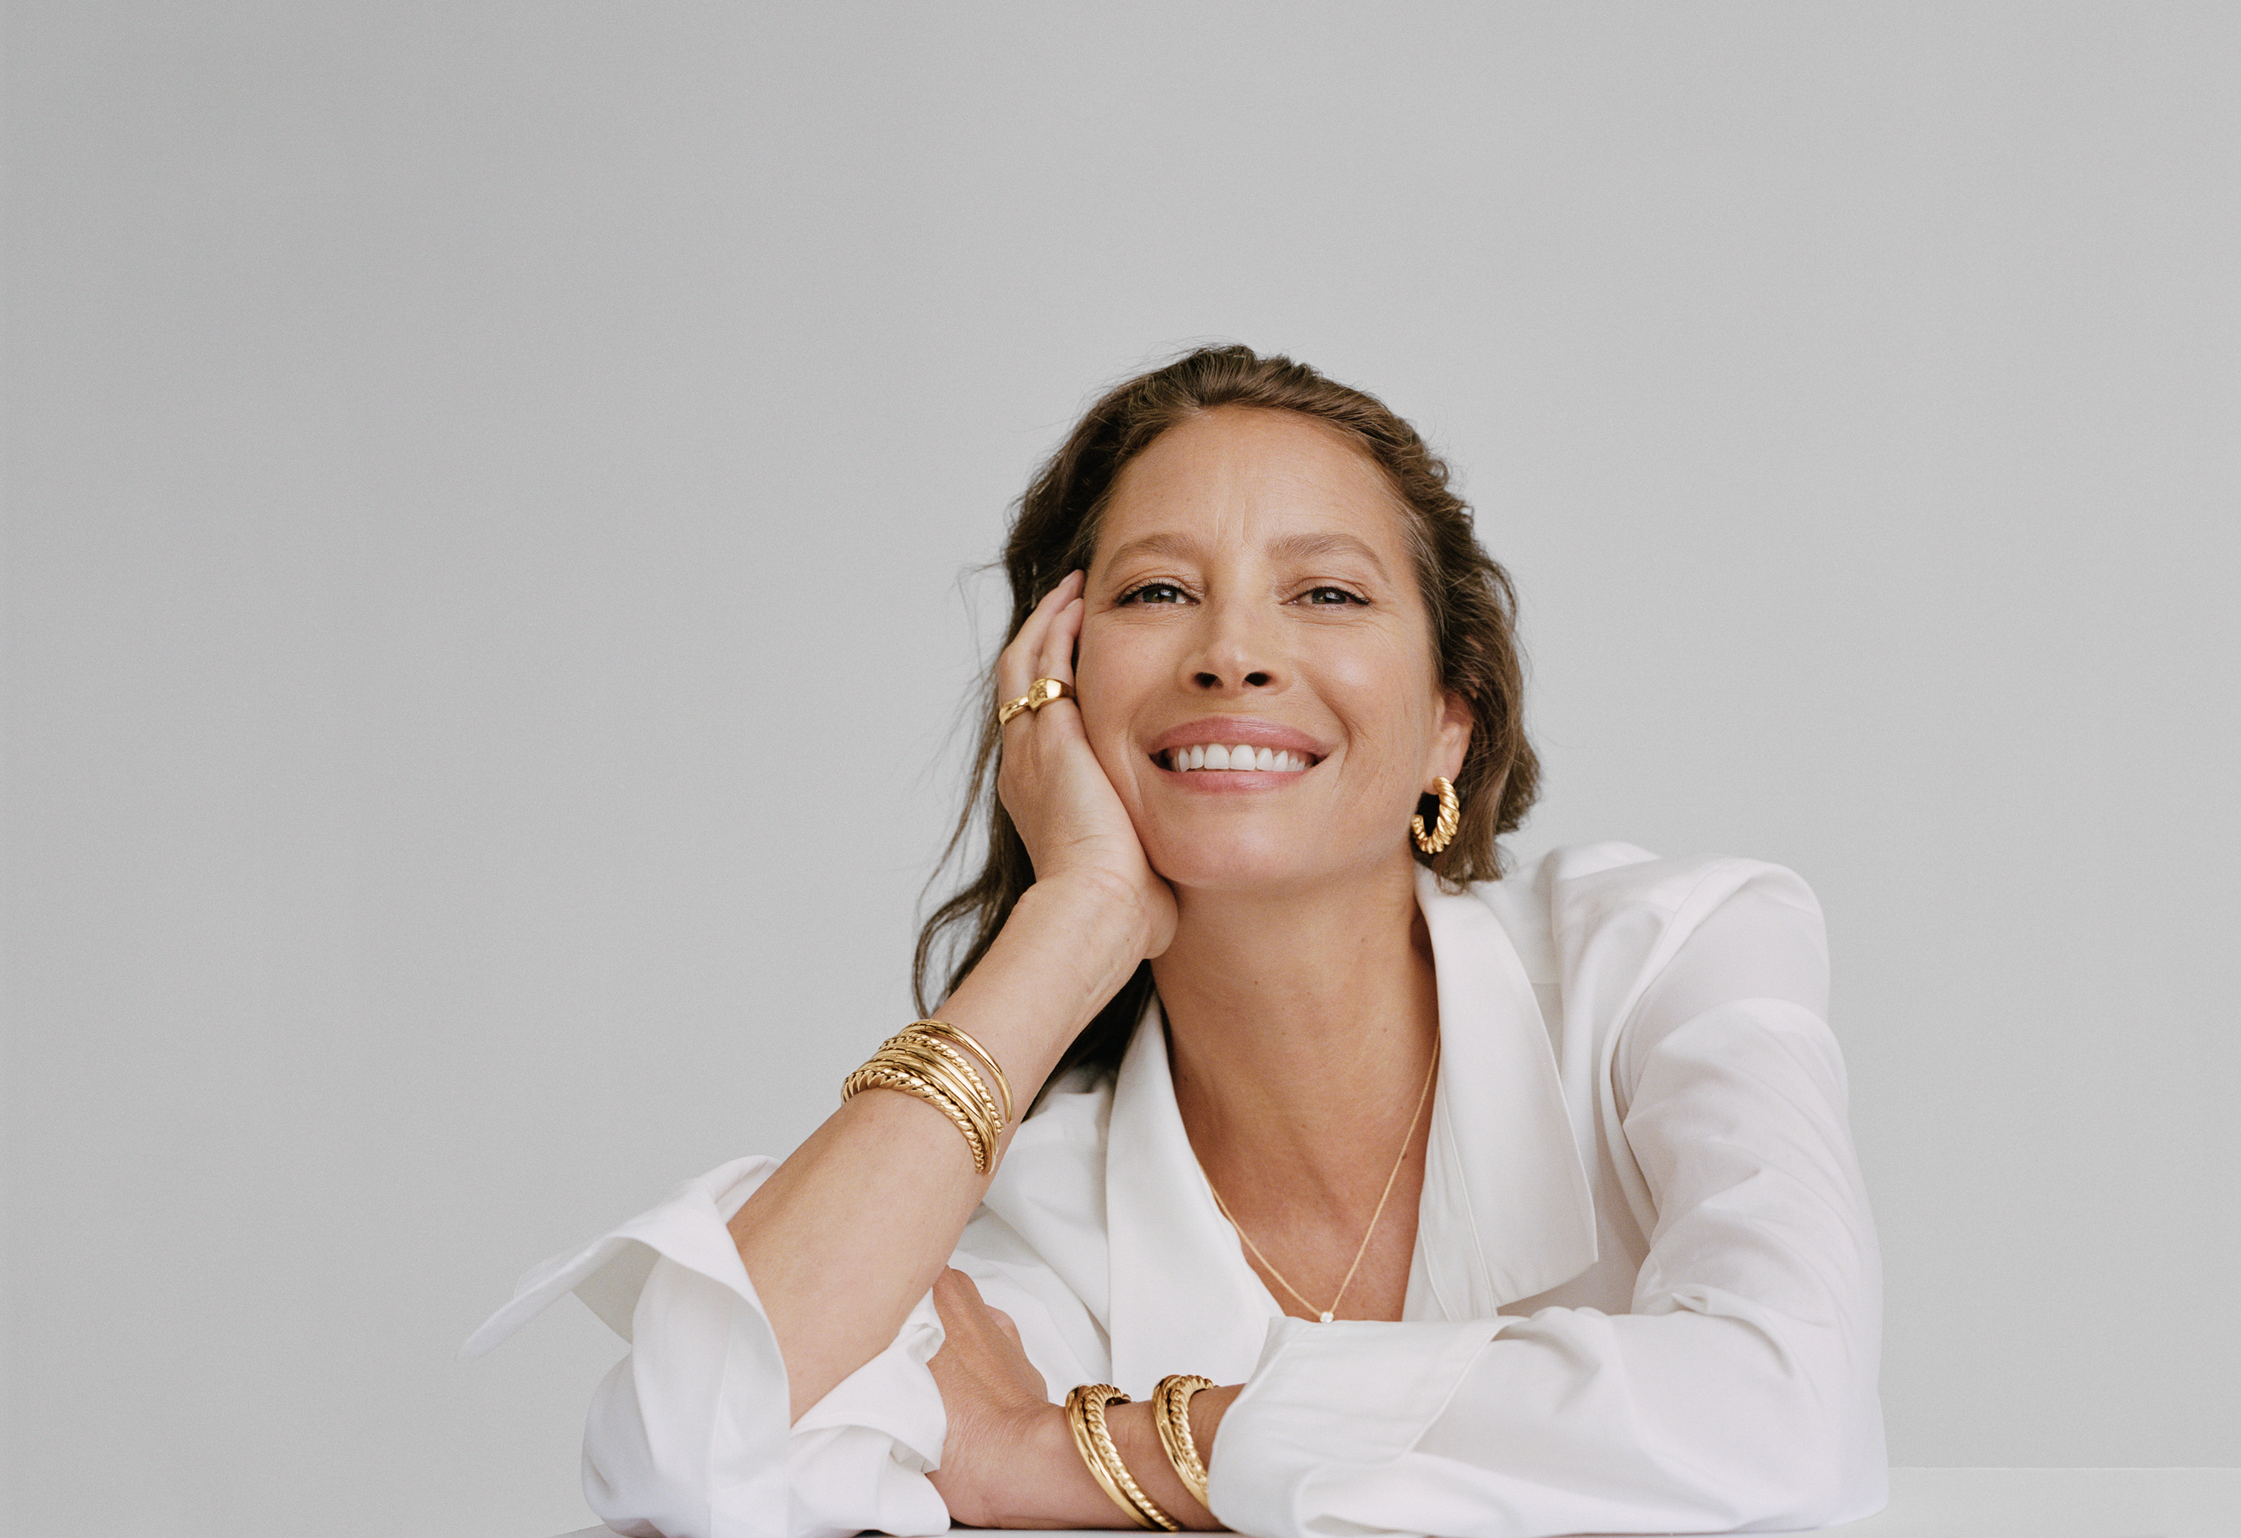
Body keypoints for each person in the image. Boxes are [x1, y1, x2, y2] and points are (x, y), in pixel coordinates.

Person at [467, 345, 1888, 1538]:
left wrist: (1065, 1455)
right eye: (1156, 592)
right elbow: (692, 1453)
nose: (1233, 653)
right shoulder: (1050, 1210)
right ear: (1057, 693)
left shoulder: (1671, 963)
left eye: (1326, 593)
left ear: (1449, 718)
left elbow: (1792, 1425)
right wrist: (1071, 917)